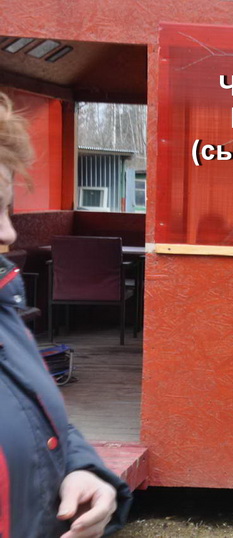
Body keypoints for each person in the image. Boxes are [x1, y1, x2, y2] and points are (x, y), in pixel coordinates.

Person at [0, 91, 132, 537]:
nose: (9, 232)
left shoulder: (6, 317)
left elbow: (34, 421)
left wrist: (80, 468)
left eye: (6, 206)